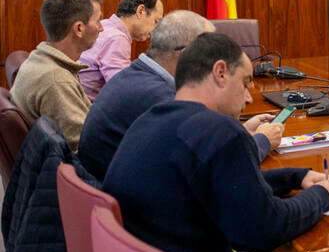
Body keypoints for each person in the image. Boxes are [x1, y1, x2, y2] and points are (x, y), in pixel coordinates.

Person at [103, 32, 329, 252]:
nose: (250, 97)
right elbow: (267, 228)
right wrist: (324, 195)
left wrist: (297, 176)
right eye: (246, 82)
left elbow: (220, 184)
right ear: (220, 72)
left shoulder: (151, 120)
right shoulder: (221, 131)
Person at [78, 11, 283, 180]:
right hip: (133, 213)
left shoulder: (138, 76)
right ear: (187, 55)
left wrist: (243, 131)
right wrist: (263, 141)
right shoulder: (160, 97)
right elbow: (213, 167)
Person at [11, 0, 103, 151]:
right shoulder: (56, 81)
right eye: (98, 21)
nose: (101, 28)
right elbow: (86, 150)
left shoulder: (38, 58)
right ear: (79, 28)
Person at [78, 0, 164, 100]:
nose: (156, 30)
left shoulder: (106, 26)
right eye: (156, 21)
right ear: (140, 11)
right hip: (86, 111)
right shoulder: (117, 38)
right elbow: (123, 90)